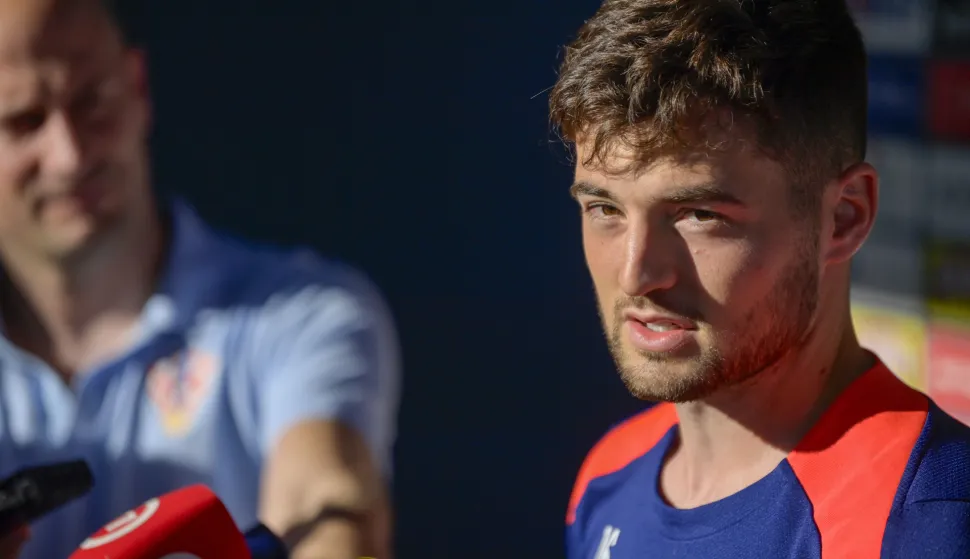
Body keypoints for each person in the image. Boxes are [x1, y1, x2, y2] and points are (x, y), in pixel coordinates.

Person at [549, 0, 970, 557]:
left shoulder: (930, 523)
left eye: (700, 215)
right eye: (605, 209)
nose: (637, 274)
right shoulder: (608, 476)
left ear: (844, 217)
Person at [0, 0, 400, 558]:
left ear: (137, 85)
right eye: (23, 120)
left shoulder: (301, 312)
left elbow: (327, 509)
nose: (68, 155)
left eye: (91, 101)